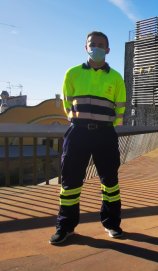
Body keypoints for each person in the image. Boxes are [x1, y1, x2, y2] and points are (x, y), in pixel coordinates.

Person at [50, 31, 126, 245]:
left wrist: (108, 128)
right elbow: (67, 105)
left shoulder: (116, 77)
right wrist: (79, 122)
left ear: (108, 50)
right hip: (78, 132)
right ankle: (65, 226)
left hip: (105, 134)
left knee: (110, 182)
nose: (97, 48)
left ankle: (112, 224)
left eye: (101, 45)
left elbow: (120, 109)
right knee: (70, 182)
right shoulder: (72, 74)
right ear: (86, 47)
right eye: (93, 44)